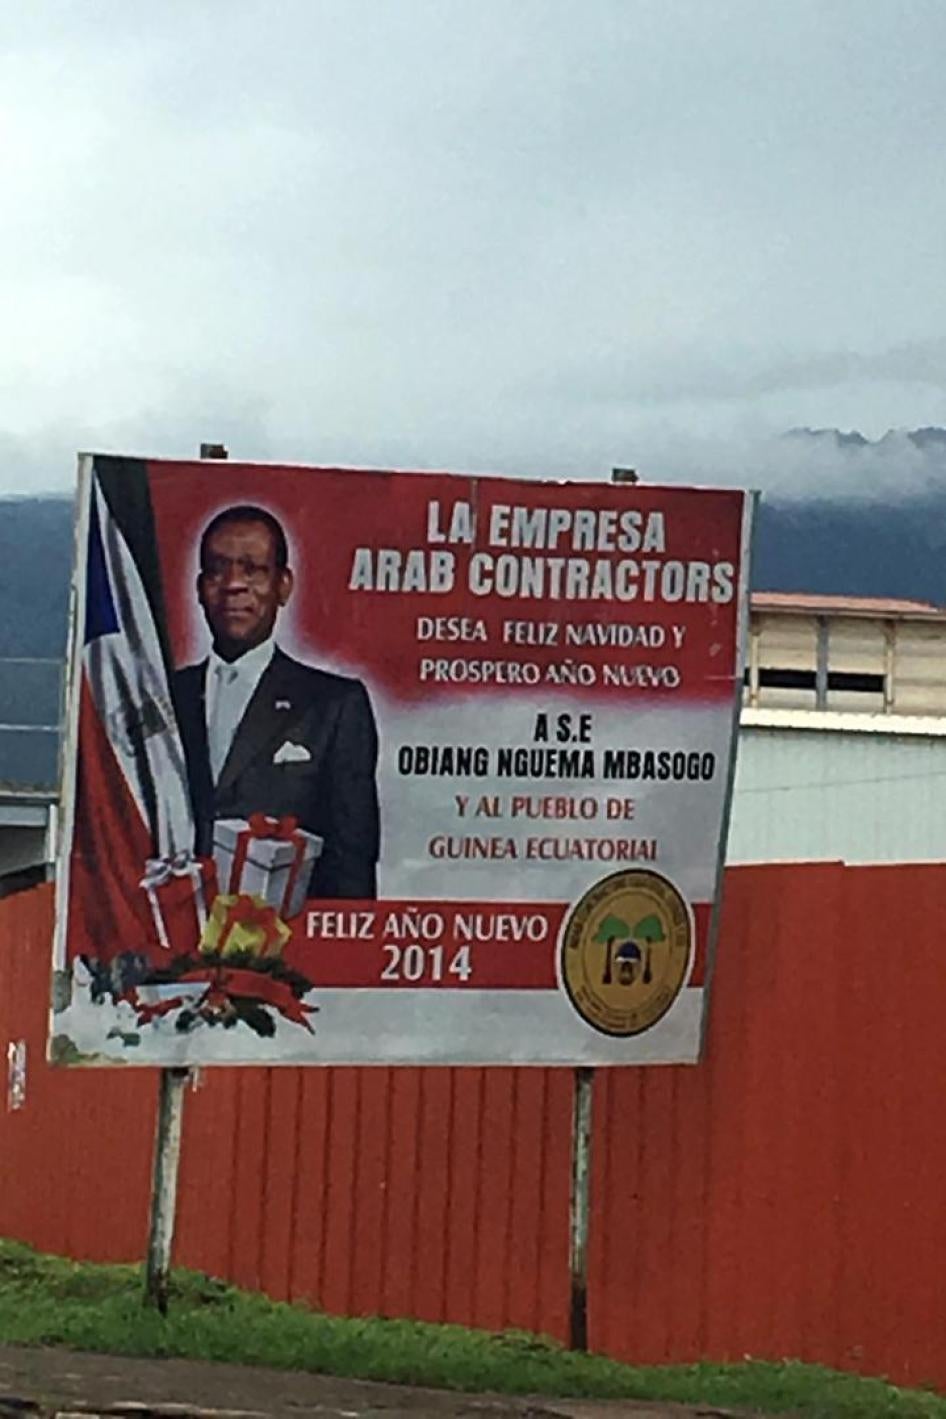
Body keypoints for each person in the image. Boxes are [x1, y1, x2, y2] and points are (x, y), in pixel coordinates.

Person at [173, 504, 380, 899]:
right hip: (170, 926)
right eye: (217, 570)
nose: (234, 584)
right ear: (200, 588)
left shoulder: (333, 705)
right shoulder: (162, 697)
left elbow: (351, 864)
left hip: (284, 932)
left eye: (252, 569)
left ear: (283, 586)